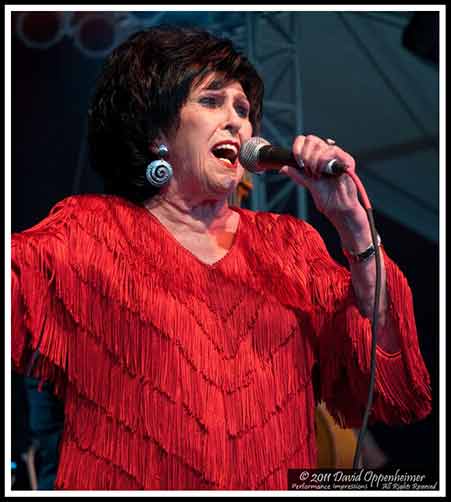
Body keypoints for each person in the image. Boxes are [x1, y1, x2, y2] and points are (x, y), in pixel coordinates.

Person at [11, 25, 432, 490]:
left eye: (243, 109)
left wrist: (353, 225)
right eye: (211, 101)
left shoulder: (289, 245)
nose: (237, 121)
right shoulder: (86, 231)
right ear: (156, 131)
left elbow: (390, 385)